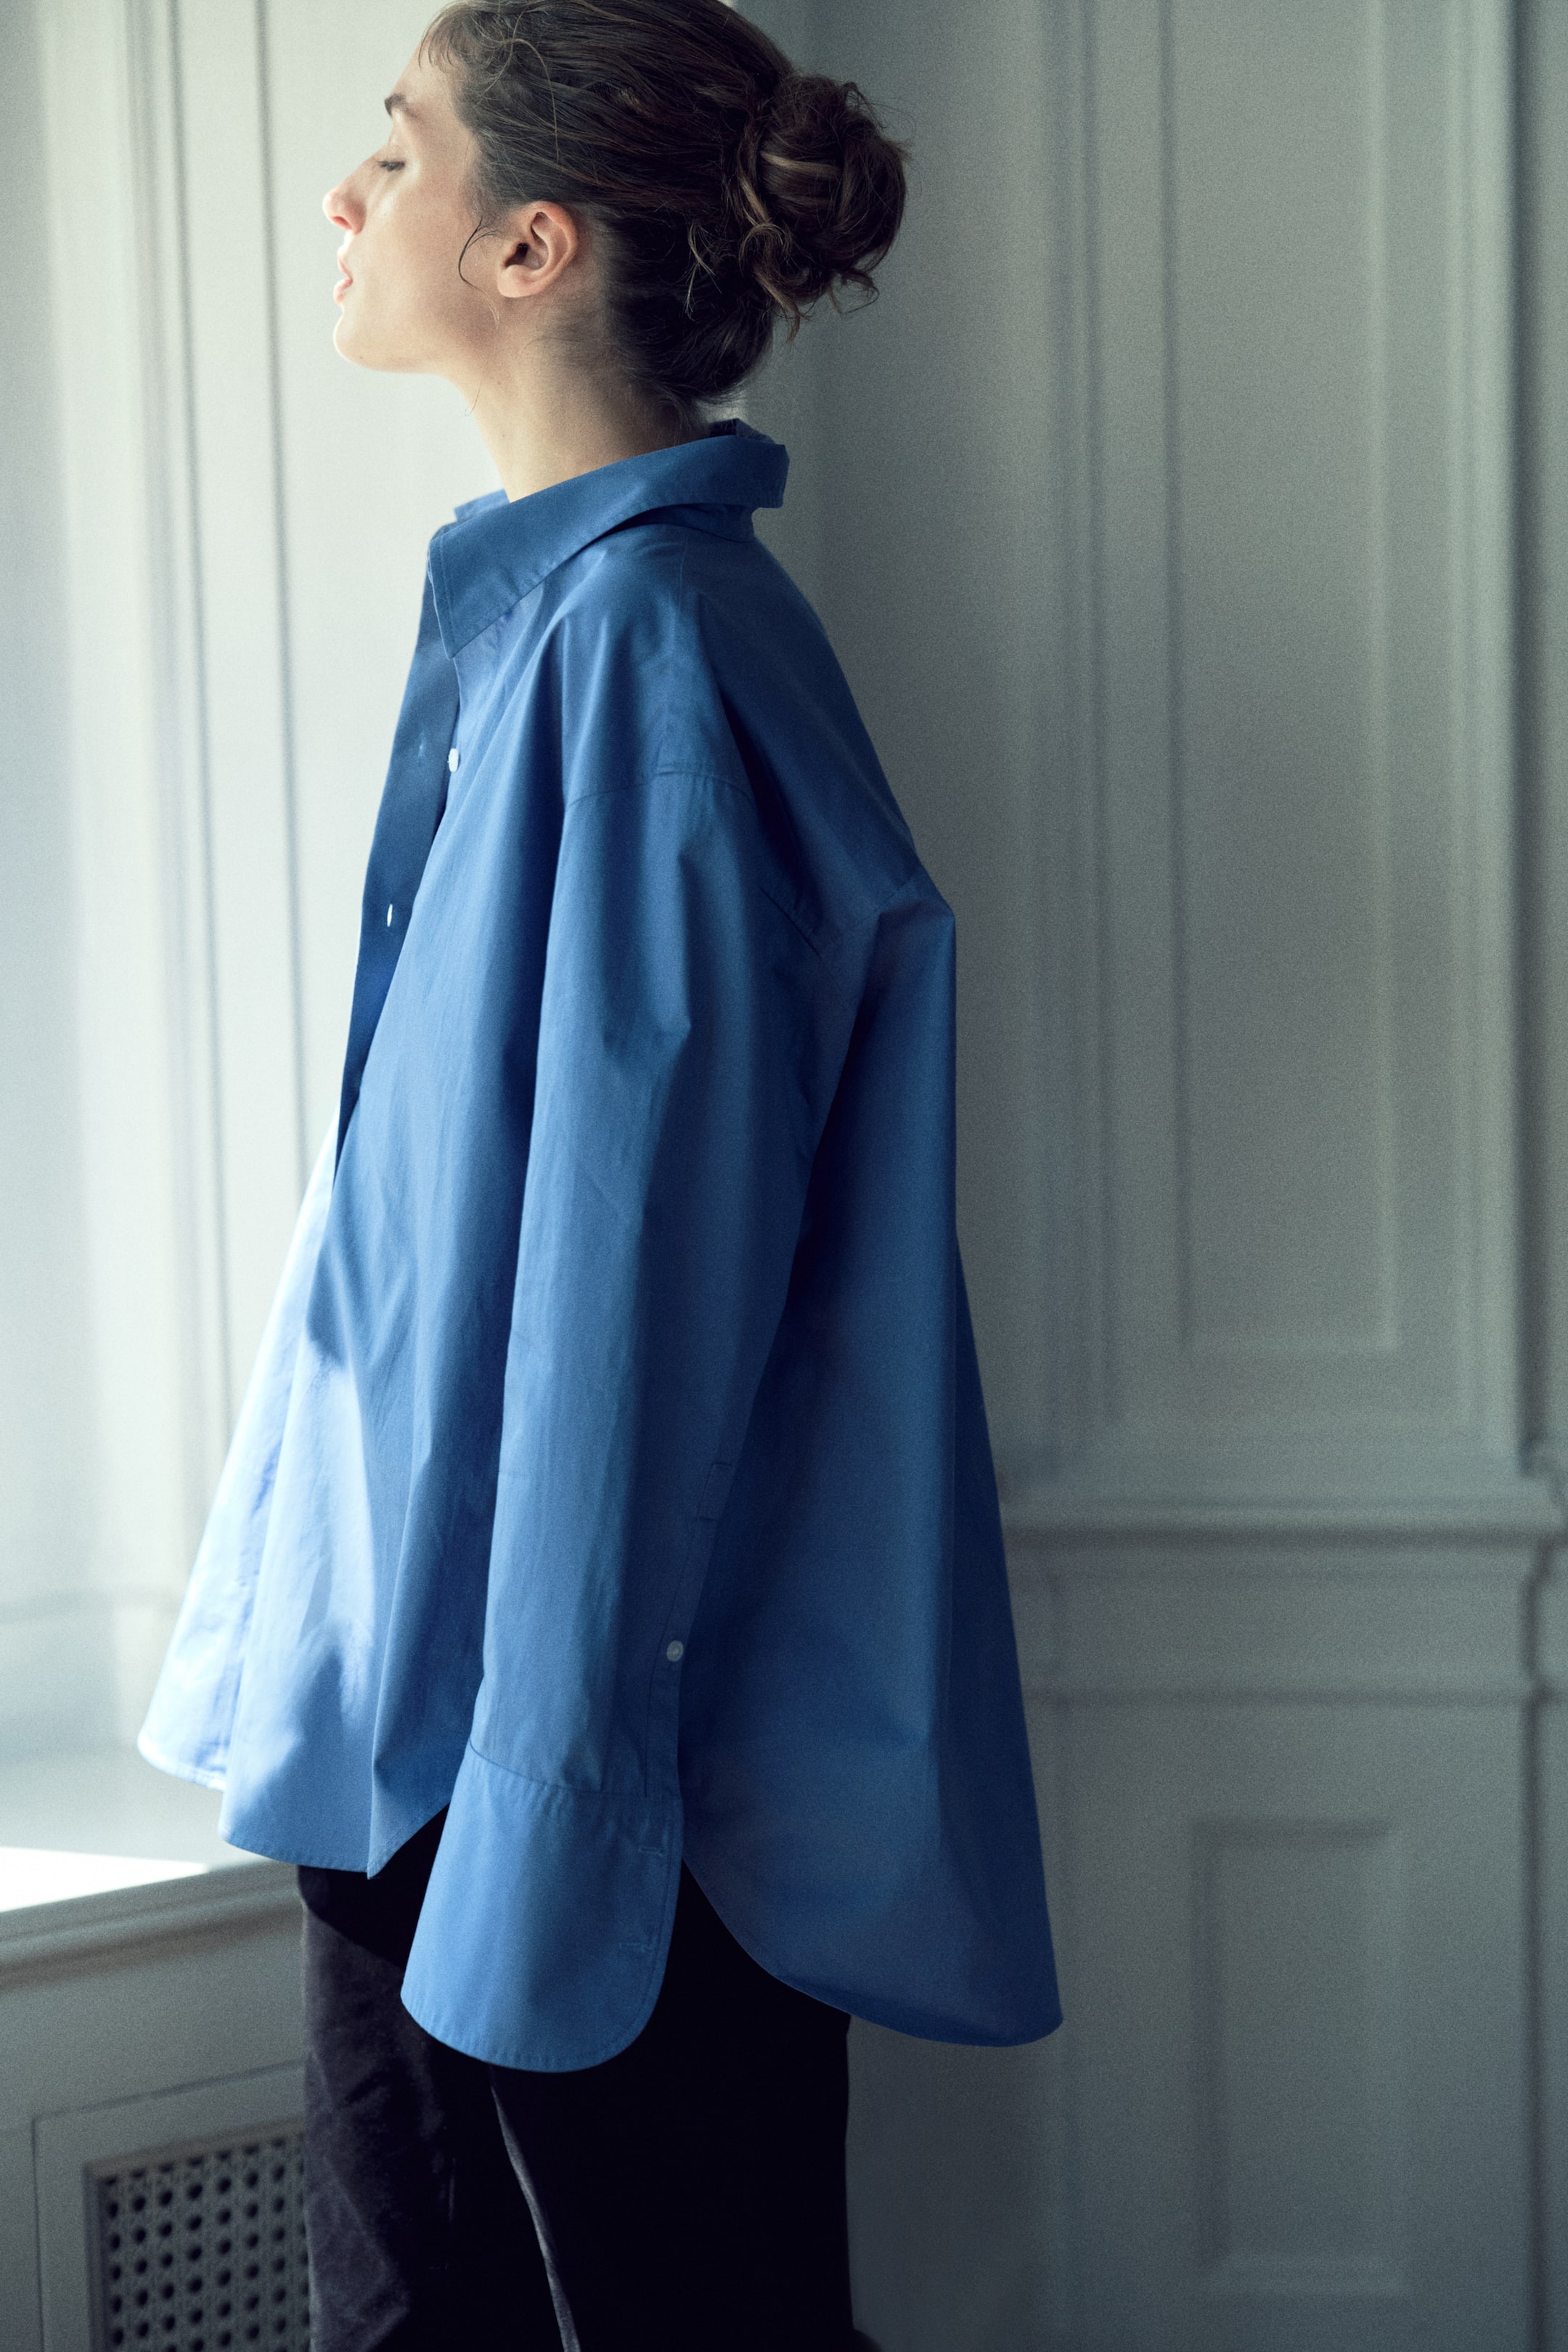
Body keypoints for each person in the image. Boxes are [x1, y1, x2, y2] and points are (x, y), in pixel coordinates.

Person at [138, 3, 1062, 2345]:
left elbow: (639, 1308)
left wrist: (553, 1833)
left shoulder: (652, 646)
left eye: (399, 148)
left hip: (558, 1797)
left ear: (531, 244)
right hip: (429, 1749)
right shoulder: (568, 616)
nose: (347, 194)